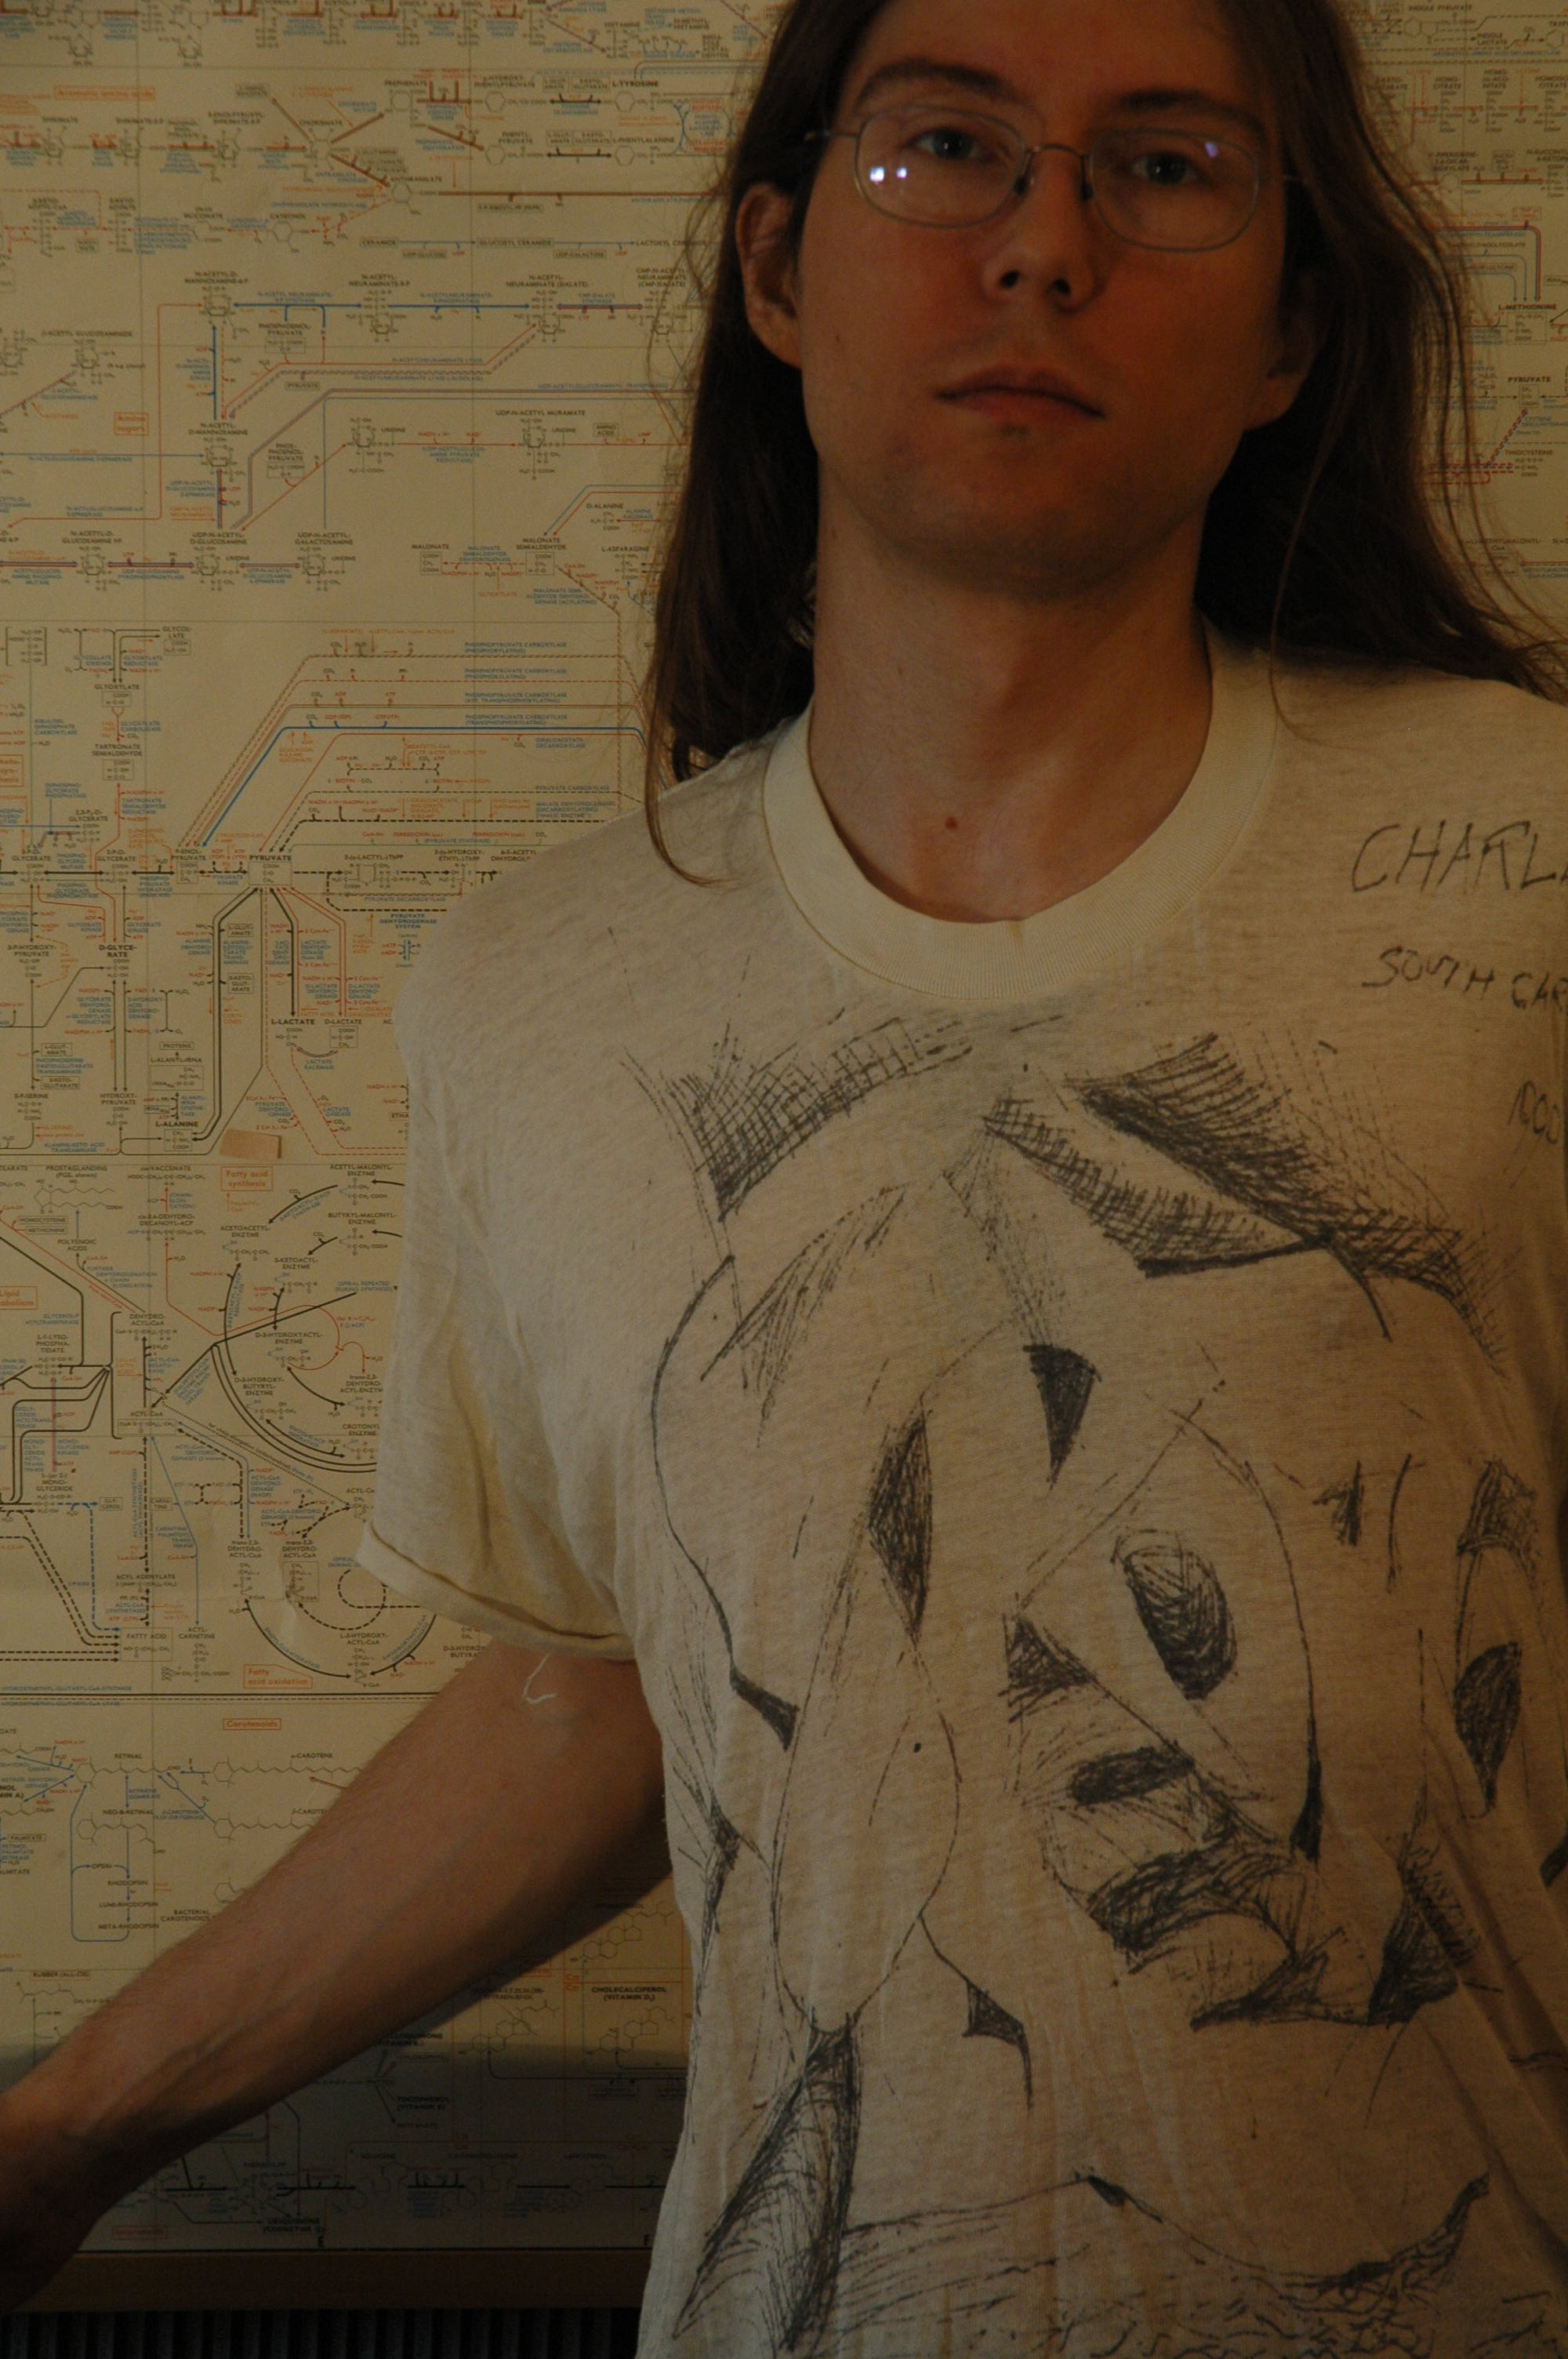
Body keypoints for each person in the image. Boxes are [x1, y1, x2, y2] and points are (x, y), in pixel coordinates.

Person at [5, 0, 1568, 2346]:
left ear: (1288, 333)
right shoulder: (534, 998)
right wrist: (62, 2135)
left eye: (1164, 167)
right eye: (947, 147)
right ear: (773, 268)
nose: (1042, 243)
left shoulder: (1527, 862)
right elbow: (614, 1689)